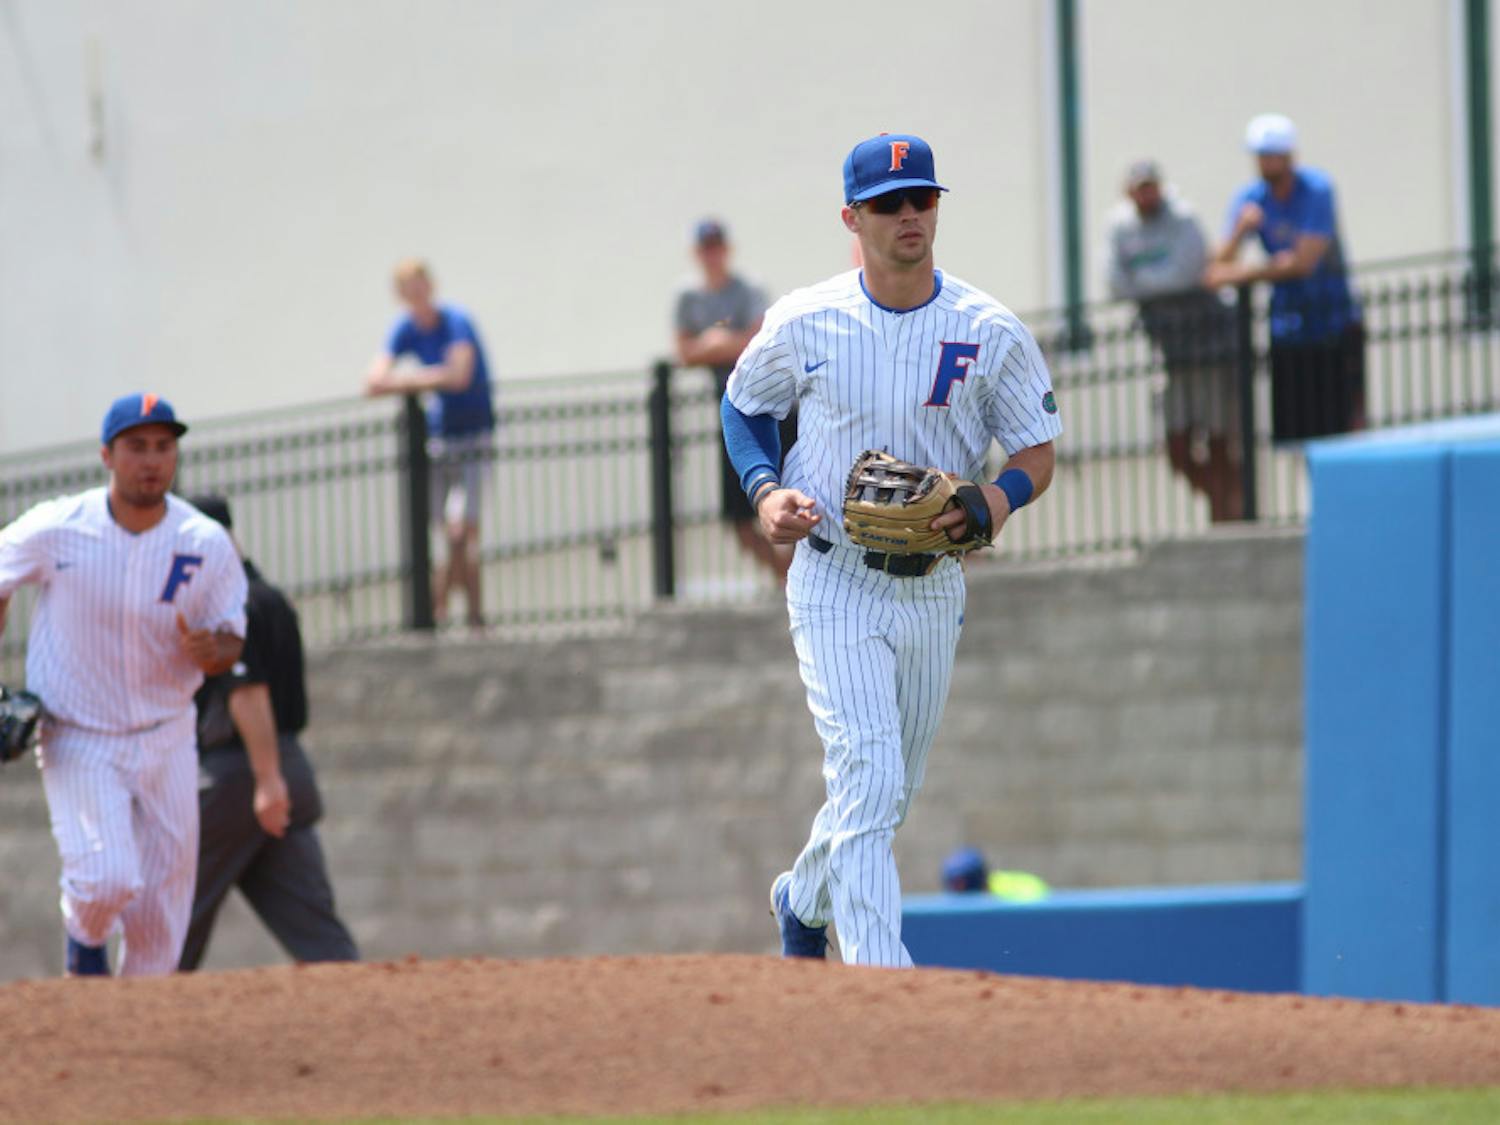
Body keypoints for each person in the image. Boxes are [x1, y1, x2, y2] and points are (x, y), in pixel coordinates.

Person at [724, 133, 1061, 967]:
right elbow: (743, 404)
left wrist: (997, 496)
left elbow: (1036, 449)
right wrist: (767, 490)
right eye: (888, 203)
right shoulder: (807, 318)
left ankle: (802, 897)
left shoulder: (988, 328)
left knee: (885, 792)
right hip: (836, 574)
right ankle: (883, 982)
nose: (909, 215)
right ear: (853, 216)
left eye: (923, 198)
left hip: (934, 585)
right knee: (870, 775)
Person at [0, 393, 247, 976]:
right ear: (107, 455)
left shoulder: (204, 541)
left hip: (168, 736)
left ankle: (134, 1052)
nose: (152, 460)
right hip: (78, 733)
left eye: (164, 447)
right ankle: (84, 943)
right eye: (137, 447)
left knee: (163, 920)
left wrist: (214, 651)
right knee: (105, 878)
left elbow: (234, 637)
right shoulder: (60, 527)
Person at [178, 495, 359, 971]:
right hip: (288, 769)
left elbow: (246, 692)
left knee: (168, 917)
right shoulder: (271, 596)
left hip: (241, 780)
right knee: (321, 939)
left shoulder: (232, 604)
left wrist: (265, 778)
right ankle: (359, 1006)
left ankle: (130, 1016)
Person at [1205, 113, 1366, 441]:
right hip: (1287, 330)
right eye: (1261, 156)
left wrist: (1246, 274)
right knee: (1297, 432)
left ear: (1289, 156)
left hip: (1333, 324)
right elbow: (1215, 268)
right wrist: (1240, 230)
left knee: (1341, 431)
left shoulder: (1317, 189)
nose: (1266, 163)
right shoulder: (1250, 198)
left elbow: (1304, 262)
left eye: (1272, 155)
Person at [1106, 160, 1242, 521]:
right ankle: (1229, 503)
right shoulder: (1120, 226)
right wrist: (1158, 283)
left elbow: (1188, 273)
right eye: (1140, 187)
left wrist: (1142, 281)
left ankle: (1227, 514)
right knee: (1176, 449)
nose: (1147, 194)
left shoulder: (1184, 218)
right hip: (1169, 353)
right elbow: (1115, 284)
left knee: (1217, 438)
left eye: (1152, 186)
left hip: (1209, 346)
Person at [366, 259, 497, 628]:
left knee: (459, 533)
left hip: (473, 433)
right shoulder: (404, 329)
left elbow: (460, 376)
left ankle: (436, 607)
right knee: (459, 539)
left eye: (420, 284)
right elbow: (373, 381)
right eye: (408, 287)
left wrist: (407, 380)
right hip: (440, 437)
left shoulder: (456, 320)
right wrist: (429, 379)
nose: (416, 293)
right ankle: (474, 616)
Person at [673, 219, 796, 582]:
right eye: (706, 247)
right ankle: (786, 579)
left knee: (794, 495)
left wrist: (712, 343)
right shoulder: (688, 297)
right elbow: (684, 352)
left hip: (774, 409)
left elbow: (758, 341)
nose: (712, 254)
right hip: (732, 413)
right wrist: (725, 344)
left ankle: (793, 578)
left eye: (717, 246)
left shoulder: (749, 288)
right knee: (739, 518)